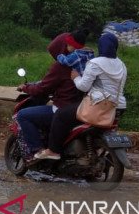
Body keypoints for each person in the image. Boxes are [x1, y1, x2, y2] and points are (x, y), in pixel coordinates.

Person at [35, 32, 127, 160]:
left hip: (99, 105)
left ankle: (53, 150)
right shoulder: (121, 64)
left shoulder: (95, 63)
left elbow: (84, 86)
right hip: (119, 106)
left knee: (61, 115)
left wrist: (76, 77)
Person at [15, 29, 88, 160]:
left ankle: (37, 151)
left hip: (62, 109)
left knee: (23, 115)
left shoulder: (60, 66)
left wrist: (25, 87)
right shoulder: (85, 62)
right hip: (81, 108)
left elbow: (42, 89)